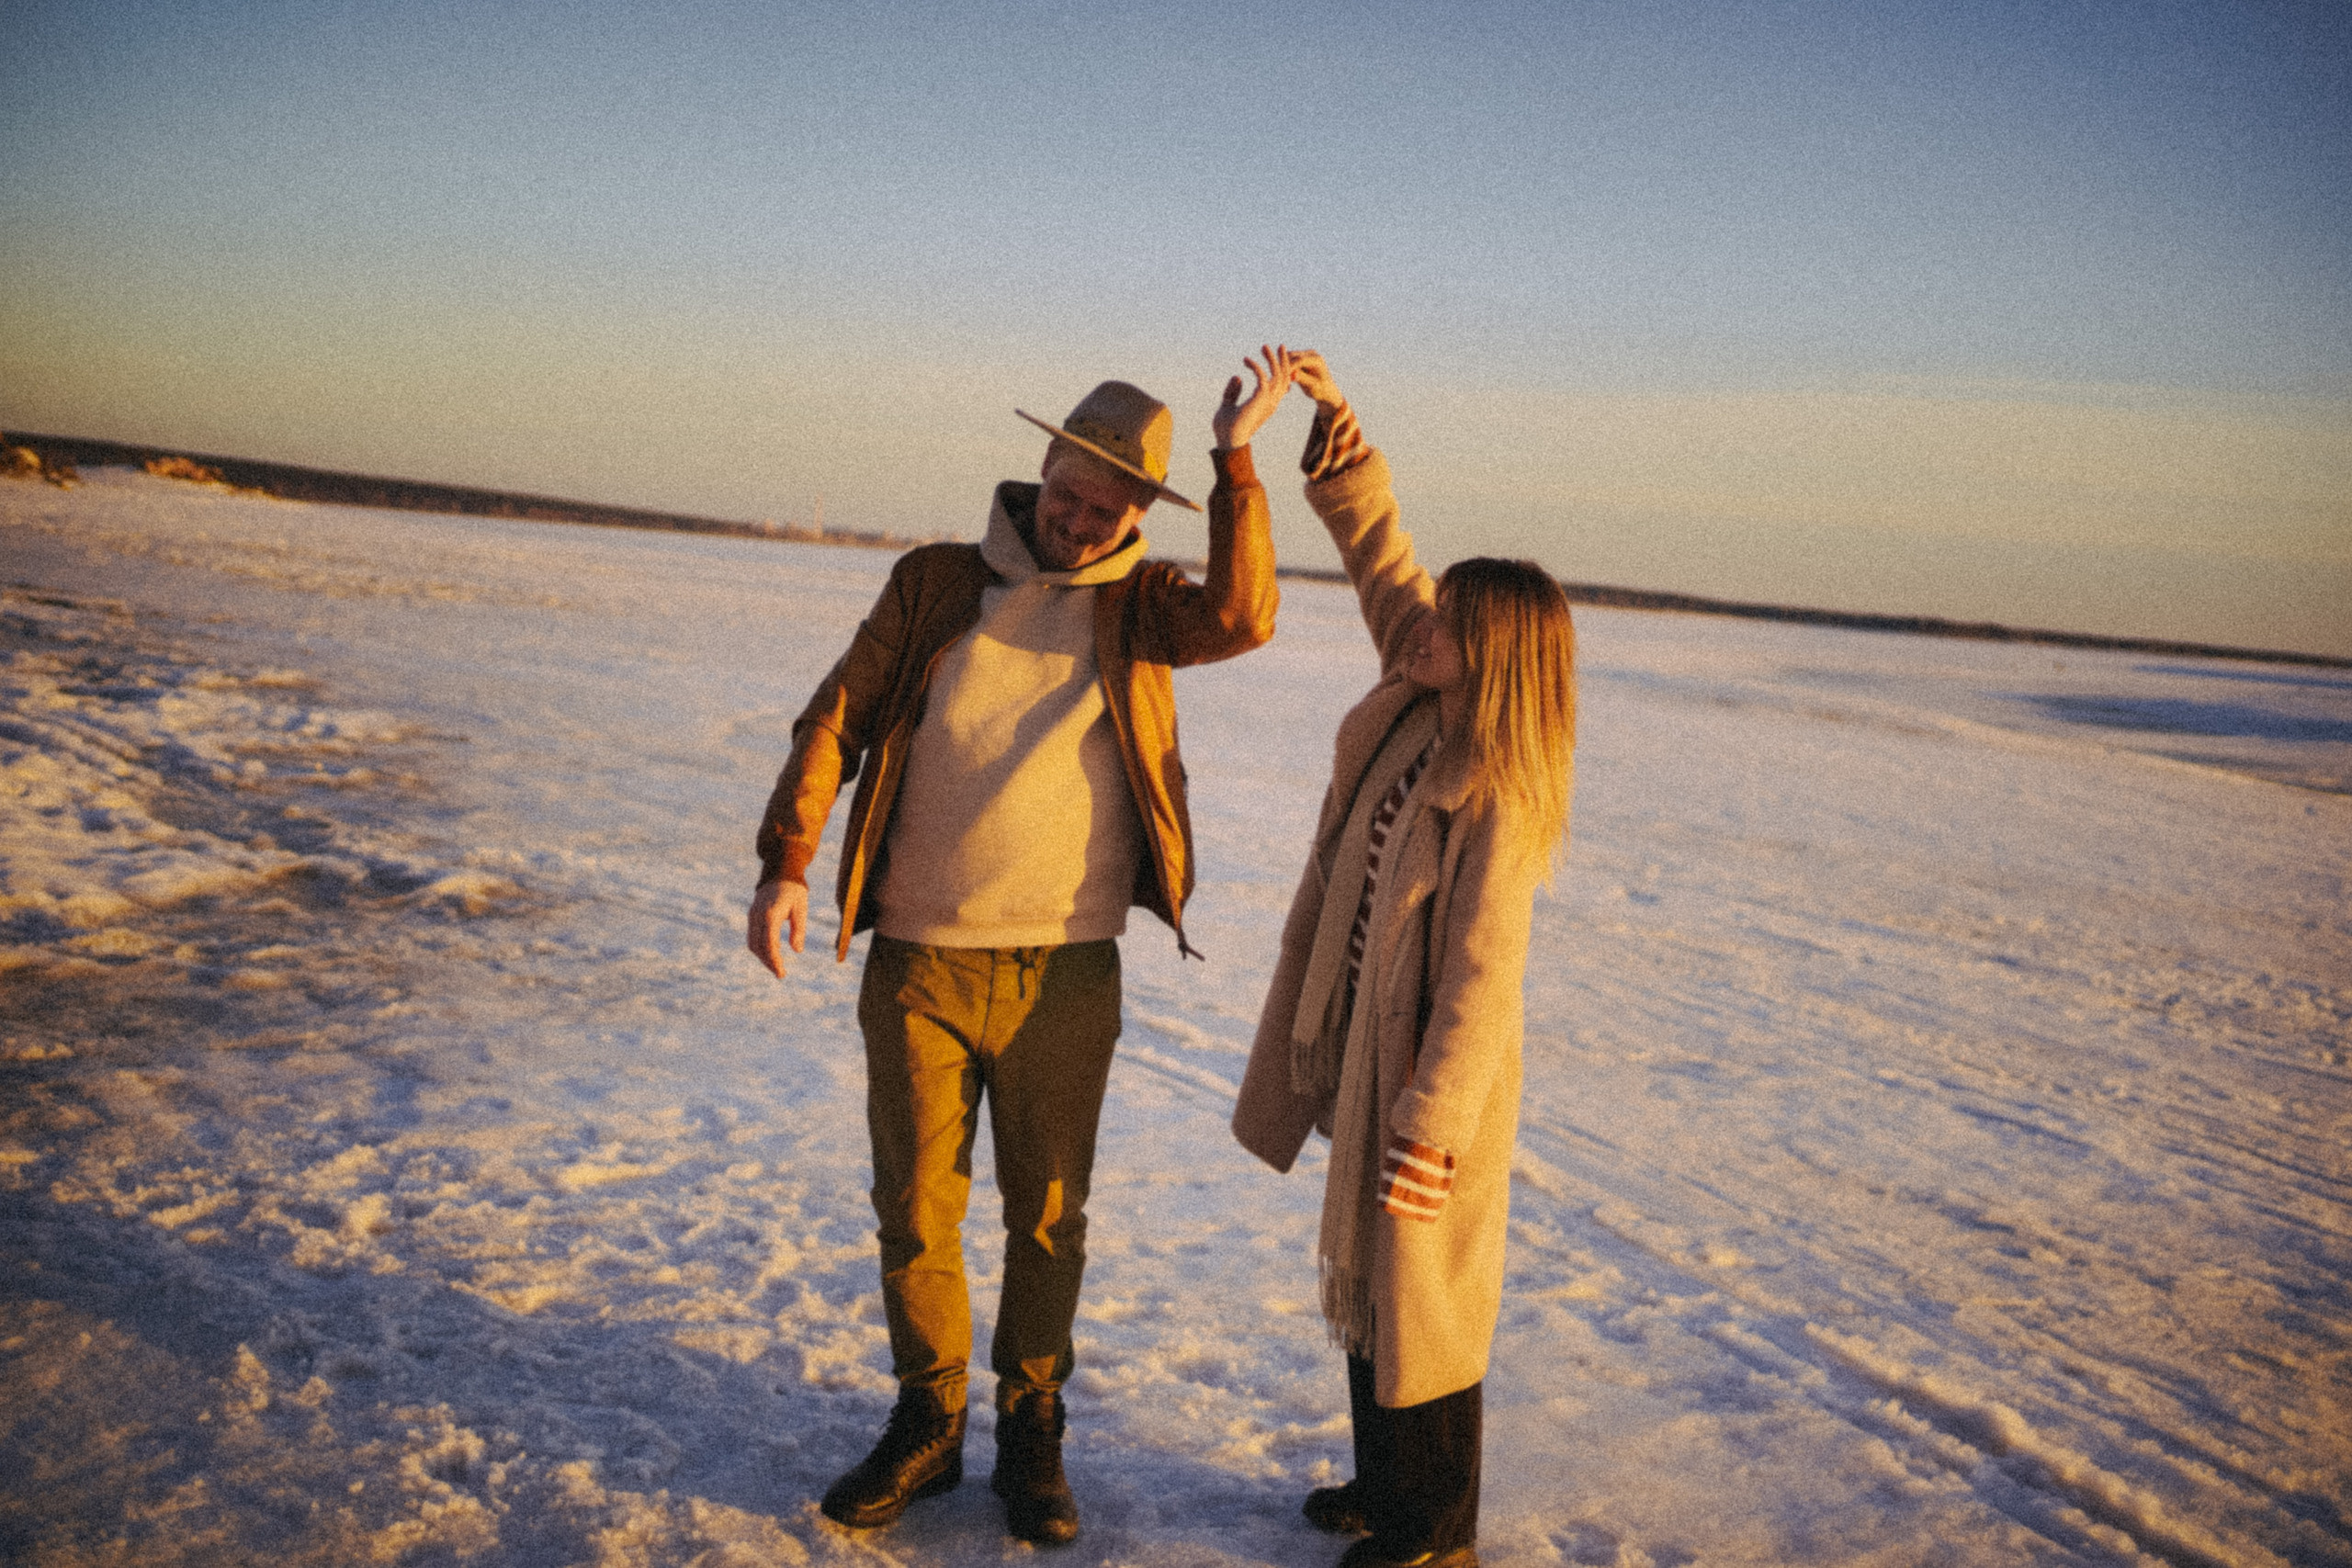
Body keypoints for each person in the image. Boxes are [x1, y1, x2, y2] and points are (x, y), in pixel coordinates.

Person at [748, 354, 1293, 1545]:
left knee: (1049, 1213)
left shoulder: (1141, 605)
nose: (1080, 518)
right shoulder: (935, 582)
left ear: (1138, 516)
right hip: (919, 959)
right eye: (1071, 491)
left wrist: (1237, 460)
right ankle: (929, 1425)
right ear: (1042, 468)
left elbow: (1248, 617)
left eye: (1108, 508)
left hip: (1064, 969)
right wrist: (789, 860)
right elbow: (838, 715)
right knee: (914, 1204)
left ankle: (1031, 1433)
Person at [1230, 352, 1576, 1568]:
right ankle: (1386, 1493)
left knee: (1428, 1303)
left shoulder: (1499, 791)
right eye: (1429, 616)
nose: (1422, 622)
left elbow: (1484, 987)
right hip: (1373, 1063)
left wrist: (1431, 1124)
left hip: (1437, 1097)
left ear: (1494, 655)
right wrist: (1332, 432)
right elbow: (1383, 563)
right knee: (1374, 1293)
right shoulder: (1417, 696)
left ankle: (1438, 1533)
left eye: (1449, 623)